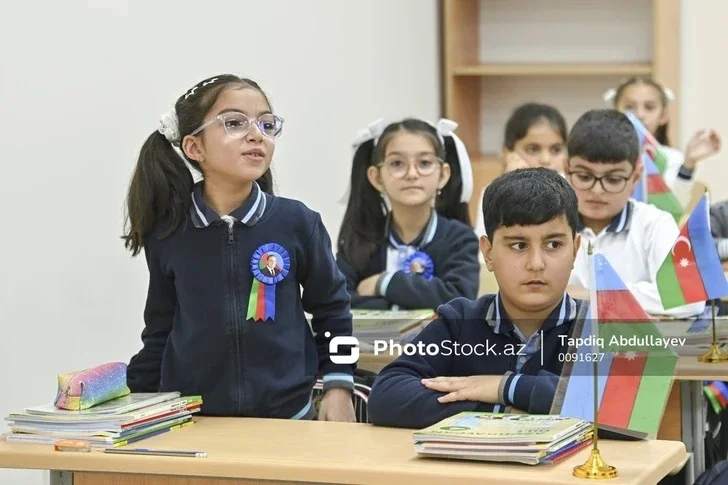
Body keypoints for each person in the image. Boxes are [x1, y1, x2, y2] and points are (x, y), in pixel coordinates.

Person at [122, 74, 355, 421]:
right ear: (194, 147)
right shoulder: (169, 232)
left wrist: (340, 386)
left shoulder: (298, 222)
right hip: (198, 423)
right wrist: (130, 402)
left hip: (289, 418)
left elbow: (334, 313)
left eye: (266, 123)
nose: (255, 133)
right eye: (234, 122)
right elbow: (160, 331)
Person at [367, 168, 586, 429]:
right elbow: (387, 397)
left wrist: (504, 387)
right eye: (518, 245)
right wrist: (497, 408)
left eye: (553, 245)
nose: (536, 264)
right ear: (488, 253)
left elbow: (631, 409)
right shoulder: (459, 321)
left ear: (574, 250)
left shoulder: (597, 326)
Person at [565, 109, 705, 318]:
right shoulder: (547, 223)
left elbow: (690, 298)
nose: (597, 190)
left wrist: (590, 296)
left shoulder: (654, 224)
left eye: (613, 179)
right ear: (566, 169)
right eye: (584, 177)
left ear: (636, 175)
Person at [336, 118, 480, 310]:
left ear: (443, 175)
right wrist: (411, 304)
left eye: (425, 163)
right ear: (376, 177)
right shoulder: (360, 237)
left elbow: (459, 299)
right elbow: (338, 299)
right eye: (397, 163)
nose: (412, 174)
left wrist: (384, 283)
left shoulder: (460, 238)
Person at [606, 76, 721, 207]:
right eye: (629, 107)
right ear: (614, 112)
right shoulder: (601, 155)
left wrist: (688, 164)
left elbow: (675, 206)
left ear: (663, 116)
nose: (640, 114)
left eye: (649, 107)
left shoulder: (673, 158)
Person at [475, 103, 568, 238]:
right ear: (508, 153)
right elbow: (484, 252)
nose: (546, 159)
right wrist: (511, 189)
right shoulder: (491, 193)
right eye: (533, 149)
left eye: (556, 150)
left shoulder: (574, 189)